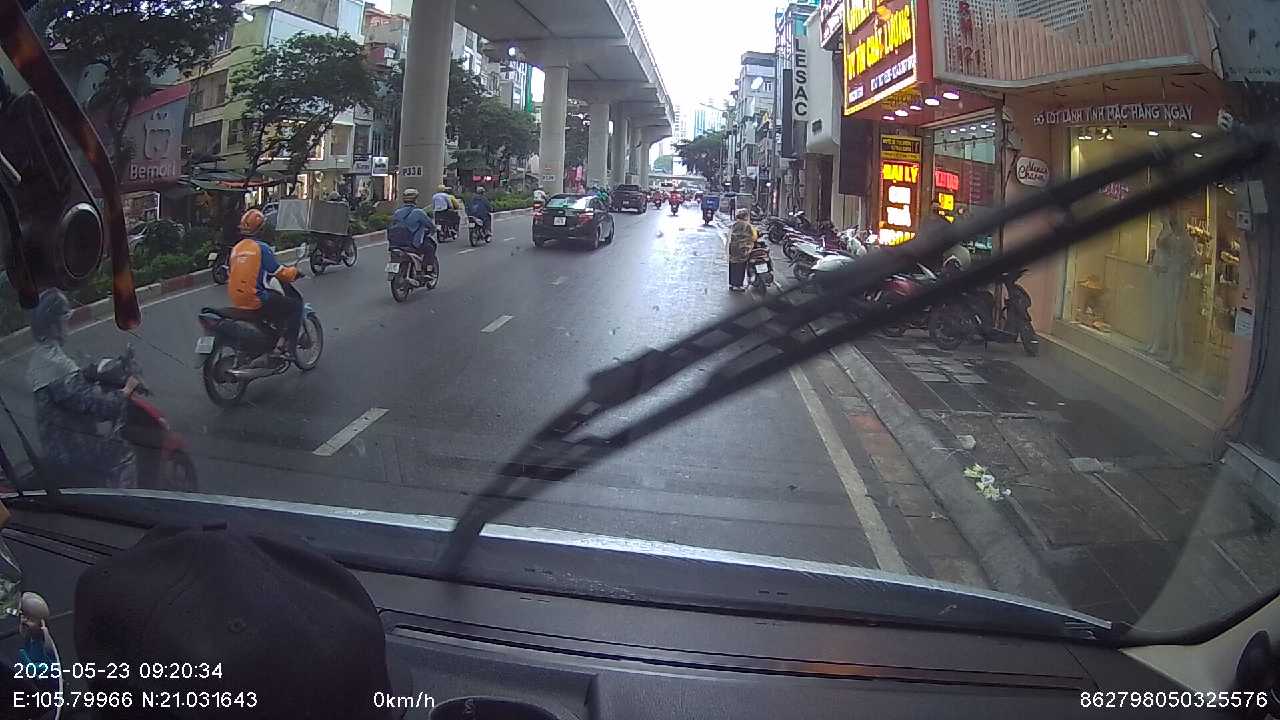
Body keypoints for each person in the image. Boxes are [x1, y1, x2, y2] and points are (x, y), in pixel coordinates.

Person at [26, 289, 139, 489]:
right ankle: (124, 504)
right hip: (75, 454)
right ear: (53, 326)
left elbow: (69, 392)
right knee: (123, 452)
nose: (67, 325)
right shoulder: (57, 365)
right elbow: (99, 407)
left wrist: (89, 373)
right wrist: (125, 391)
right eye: (63, 321)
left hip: (55, 449)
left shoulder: (40, 357)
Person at [227, 208, 303, 355]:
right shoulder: (261, 248)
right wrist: (294, 272)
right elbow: (279, 272)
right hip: (255, 298)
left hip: (236, 299)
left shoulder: (236, 249)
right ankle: (289, 346)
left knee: (274, 302)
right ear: (261, 229)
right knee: (295, 306)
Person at [388, 187, 438, 280]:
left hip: (395, 243)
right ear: (415, 199)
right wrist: (433, 230)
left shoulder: (397, 212)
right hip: (412, 244)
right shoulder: (419, 212)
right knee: (430, 248)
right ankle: (428, 271)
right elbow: (430, 225)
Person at [728, 209, 757, 292]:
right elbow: (754, 237)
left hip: (733, 247)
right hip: (743, 248)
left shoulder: (734, 224)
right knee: (740, 266)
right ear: (745, 216)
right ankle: (737, 285)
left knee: (733, 264)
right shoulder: (747, 226)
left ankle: (732, 283)